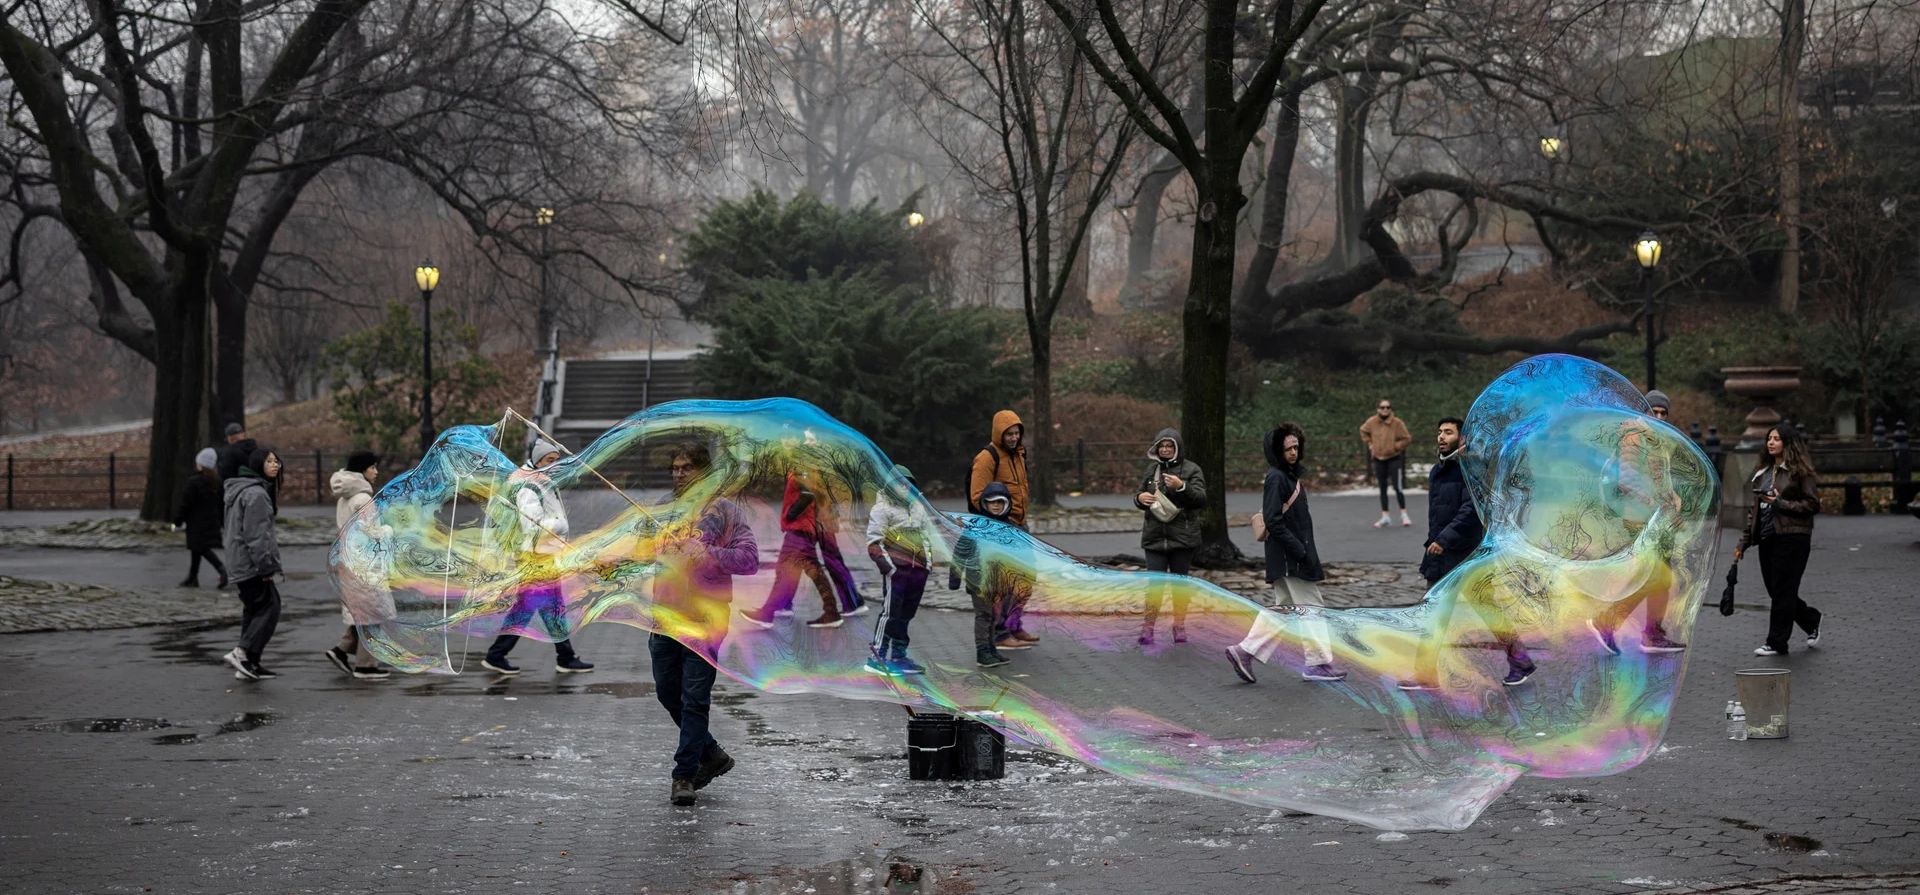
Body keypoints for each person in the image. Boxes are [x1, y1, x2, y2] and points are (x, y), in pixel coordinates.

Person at [649, 443, 759, 807]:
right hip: (665, 616)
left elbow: (749, 559)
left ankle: (684, 775)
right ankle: (711, 754)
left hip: (705, 619)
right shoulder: (664, 509)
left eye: (687, 467)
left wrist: (707, 553)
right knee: (668, 693)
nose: (679, 473)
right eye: (675, 467)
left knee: (694, 699)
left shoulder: (725, 512)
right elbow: (644, 553)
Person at [1399, 417, 1538, 690]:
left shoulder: (1470, 469)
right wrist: (1436, 543)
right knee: (1436, 614)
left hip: (1466, 555)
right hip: (1442, 555)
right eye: (1439, 432)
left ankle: (1519, 662)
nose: (1441, 437)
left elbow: (1471, 510)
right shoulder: (1438, 471)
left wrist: (1444, 539)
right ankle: (1427, 672)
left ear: (1461, 439)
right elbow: (1438, 515)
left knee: (1486, 611)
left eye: (1448, 432)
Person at [1225, 423, 1346, 683]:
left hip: (1286, 556)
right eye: (1287, 448)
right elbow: (1273, 519)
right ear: (1276, 451)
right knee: (1311, 608)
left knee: (1284, 610)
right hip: (1290, 558)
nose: (1293, 452)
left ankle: (1245, 651)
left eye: (1295, 447)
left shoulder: (1286, 476)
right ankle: (1317, 663)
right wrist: (1300, 551)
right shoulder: (1277, 477)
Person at [482, 438, 595, 675]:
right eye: (549, 460)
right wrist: (560, 525)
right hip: (533, 557)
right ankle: (497, 655)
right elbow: (532, 526)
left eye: (556, 460)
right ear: (537, 460)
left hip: (543, 555)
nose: (553, 464)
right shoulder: (528, 486)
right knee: (531, 607)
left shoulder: (541, 480)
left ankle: (564, 656)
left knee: (551, 607)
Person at [1585, 400, 1688, 656]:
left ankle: (1652, 633)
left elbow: (1662, 481)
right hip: (1641, 518)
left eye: (1664, 412)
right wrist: (1654, 505)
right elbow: (1627, 480)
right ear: (1644, 412)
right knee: (1652, 577)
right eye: (1655, 411)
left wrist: (1674, 503)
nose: (1660, 416)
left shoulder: (1659, 440)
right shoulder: (1633, 436)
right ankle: (1607, 621)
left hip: (1659, 518)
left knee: (1661, 578)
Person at [1734, 425, 1823, 657]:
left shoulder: (1799, 472)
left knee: (1783, 589)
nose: (1771, 442)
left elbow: (1813, 504)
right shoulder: (1763, 472)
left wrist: (1780, 503)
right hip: (1768, 538)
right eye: (1769, 439)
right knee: (1777, 590)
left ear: (1788, 443)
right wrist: (1744, 542)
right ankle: (1810, 619)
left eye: (1777, 439)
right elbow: (1755, 512)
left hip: (1793, 536)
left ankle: (1776, 642)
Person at [739, 468, 862, 629]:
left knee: (788, 571)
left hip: (799, 530)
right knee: (807, 571)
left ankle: (767, 613)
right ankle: (825, 611)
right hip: (804, 530)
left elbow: (808, 494)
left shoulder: (802, 468)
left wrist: (791, 515)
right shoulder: (803, 469)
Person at [865, 464, 940, 675]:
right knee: (890, 612)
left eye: (908, 485)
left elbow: (926, 535)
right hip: (897, 571)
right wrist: (891, 570)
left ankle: (899, 655)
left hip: (918, 571)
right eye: (899, 484)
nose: (904, 488)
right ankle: (877, 657)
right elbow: (874, 543)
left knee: (907, 613)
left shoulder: (918, 507)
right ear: (890, 487)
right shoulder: (882, 509)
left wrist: (927, 564)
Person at [1134, 428, 1207, 646]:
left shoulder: (1192, 469)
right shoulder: (1152, 469)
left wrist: (1181, 486)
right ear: (1156, 448)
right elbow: (1139, 494)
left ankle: (1179, 626)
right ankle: (1148, 628)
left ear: (1177, 448)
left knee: (1179, 585)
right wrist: (1140, 498)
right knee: (1154, 586)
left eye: (1169, 446)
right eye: (1162, 446)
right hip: (1155, 537)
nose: (1165, 450)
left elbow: (1200, 499)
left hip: (1183, 538)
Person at [323, 451, 391, 681]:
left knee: (362, 611)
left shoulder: (345, 497)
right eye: (372, 467)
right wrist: (389, 531)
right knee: (371, 614)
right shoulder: (362, 499)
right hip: (364, 563)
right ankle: (365, 666)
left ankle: (341, 650)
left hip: (349, 559)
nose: (376, 472)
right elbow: (373, 534)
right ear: (362, 470)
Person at [952, 482, 1031, 667]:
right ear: (984, 504)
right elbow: (960, 553)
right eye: (991, 502)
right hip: (979, 582)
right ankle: (982, 652)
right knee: (984, 616)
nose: (995, 506)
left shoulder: (1010, 528)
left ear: (1007, 504)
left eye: (999, 502)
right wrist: (954, 578)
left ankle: (991, 649)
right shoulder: (976, 527)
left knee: (994, 616)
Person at [221, 447, 283, 681]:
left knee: (255, 609)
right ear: (258, 464)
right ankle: (242, 652)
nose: (275, 465)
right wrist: (266, 567)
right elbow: (257, 536)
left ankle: (250, 663)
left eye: (276, 461)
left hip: (239, 561)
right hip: (250, 563)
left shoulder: (242, 490)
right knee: (270, 606)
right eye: (269, 461)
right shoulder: (256, 494)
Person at [173, 447, 227, 588]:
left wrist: (177, 520)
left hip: (196, 523)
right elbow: (221, 503)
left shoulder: (193, 482)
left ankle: (222, 570)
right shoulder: (216, 482)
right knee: (196, 549)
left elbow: (186, 504)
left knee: (202, 548)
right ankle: (192, 577)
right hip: (211, 522)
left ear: (201, 465)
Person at [969, 410, 1030, 528]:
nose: (1014, 438)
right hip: (1000, 525)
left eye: (1017, 433)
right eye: (1009, 434)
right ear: (999, 434)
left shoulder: (1019, 454)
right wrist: (998, 520)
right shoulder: (987, 457)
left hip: (1020, 523)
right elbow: (977, 497)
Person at [1360, 400, 1413, 528]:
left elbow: (1407, 438)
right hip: (1378, 458)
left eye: (1388, 407)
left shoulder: (1397, 423)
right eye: (1382, 407)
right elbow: (1363, 430)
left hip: (1393, 458)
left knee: (1397, 487)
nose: (1385, 409)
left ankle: (1404, 514)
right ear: (1378, 409)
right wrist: (1370, 443)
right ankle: (1385, 516)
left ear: (1390, 409)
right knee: (1382, 487)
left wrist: (1396, 446)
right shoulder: (1372, 422)